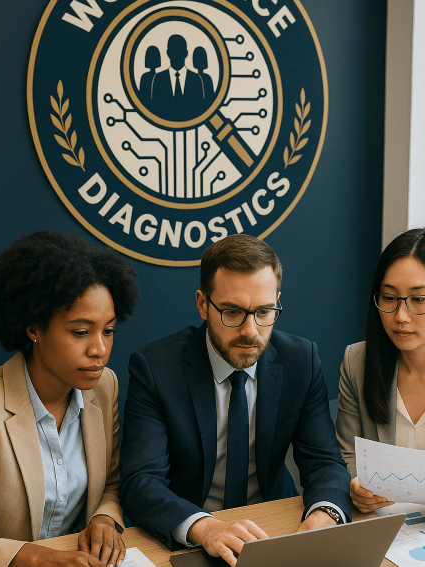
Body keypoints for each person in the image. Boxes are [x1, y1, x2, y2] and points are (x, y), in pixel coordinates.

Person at [120, 234, 351, 567]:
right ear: (203, 303)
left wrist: (324, 516)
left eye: (264, 312)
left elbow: (325, 463)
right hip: (192, 537)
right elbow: (141, 481)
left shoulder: (301, 360)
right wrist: (205, 527)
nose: (250, 331)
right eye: (232, 312)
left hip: (273, 527)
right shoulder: (156, 369)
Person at [0, 231, 139, 567]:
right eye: (80, 332)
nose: (100, 349)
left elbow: (111, 481)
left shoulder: (104, 386)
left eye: (108, 330)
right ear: (34, 328)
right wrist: (32, 557)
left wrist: (105, 519)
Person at [335, 228, 425, 523]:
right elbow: (345, 455)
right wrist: (356, 486)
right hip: (378, 526)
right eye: (389, 298)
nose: (400, 315)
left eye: (419, 299)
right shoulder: (357, 361)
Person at [150, 35, 204, 121]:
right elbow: (154, 109)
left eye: (180, 50)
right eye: (174, 50)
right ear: (168, 53)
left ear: (186, 53)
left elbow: (200, 109)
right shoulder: (159, 79)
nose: (177, 54)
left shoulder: (196, 79)